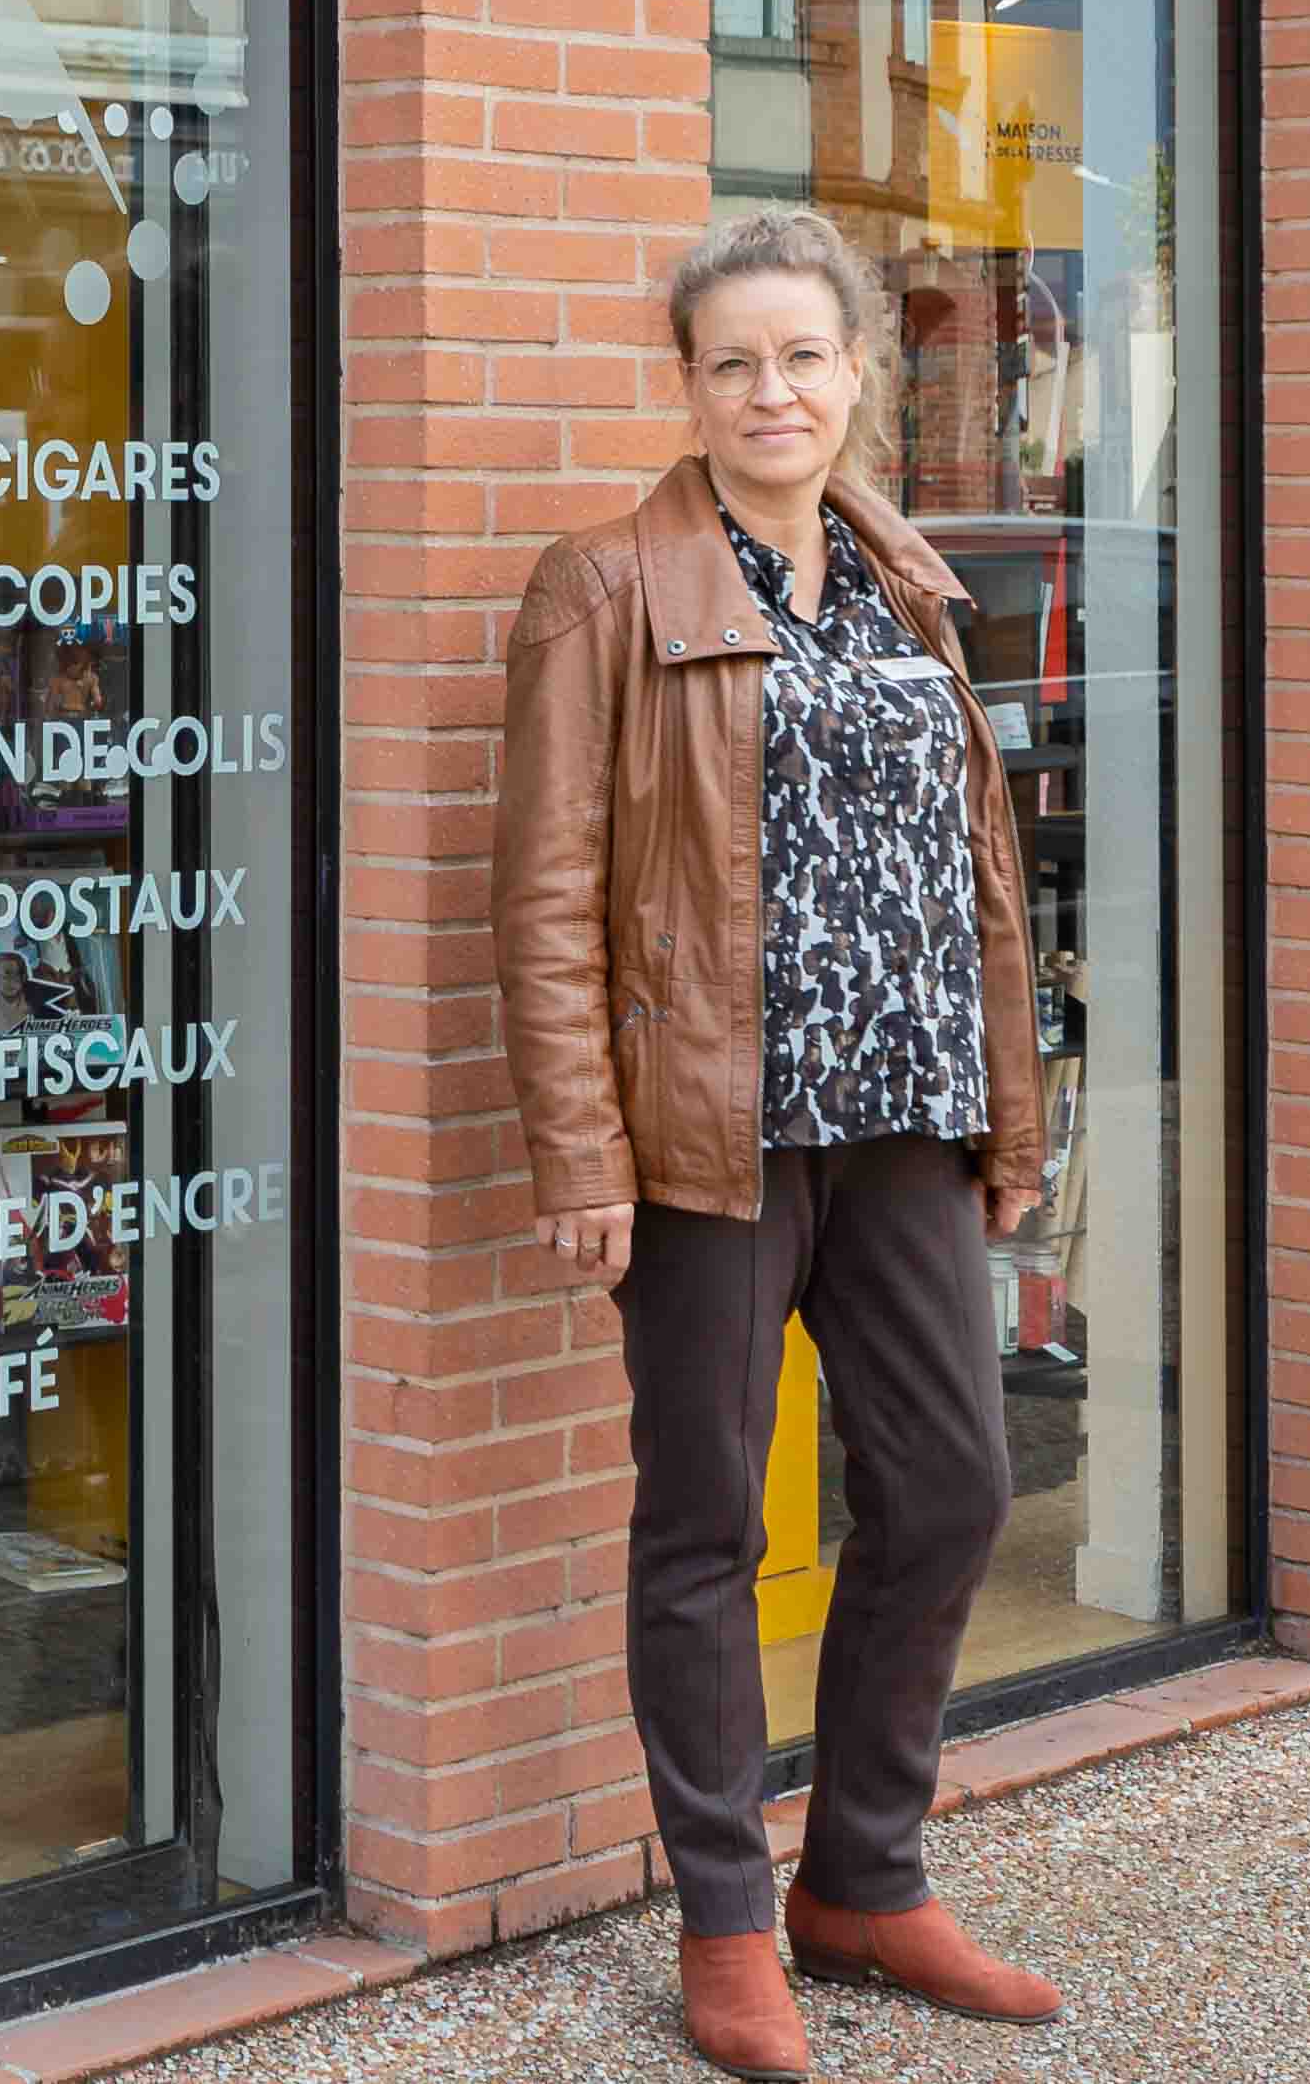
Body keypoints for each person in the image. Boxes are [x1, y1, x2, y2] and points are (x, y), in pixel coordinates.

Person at [496, 209, 1062, 2073]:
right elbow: (547, 895)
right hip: (710, 1137)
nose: (772, 391)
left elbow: (982, 873)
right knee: (708, 1522)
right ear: (688, 384)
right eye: (733, 360)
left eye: (803, 356)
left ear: (854, 374)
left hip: (903, 1114)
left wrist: (1009, 1105)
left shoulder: (905, 581)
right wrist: (581, 1150)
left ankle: (866, 1875)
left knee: (953, 1483)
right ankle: (730, 1919)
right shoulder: (604, 587)